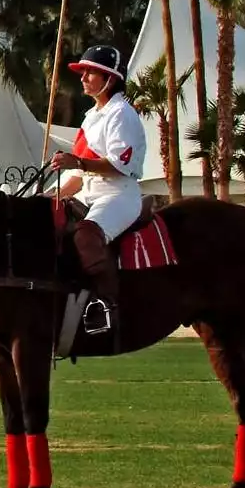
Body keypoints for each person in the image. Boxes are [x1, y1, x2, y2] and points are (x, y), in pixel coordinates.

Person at [48, 44, 146, 334]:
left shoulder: (123, 114)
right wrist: (51, 197)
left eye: (90, 72)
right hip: (88, 193)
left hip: (118, 195)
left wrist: (77, 161)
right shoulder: (91, 115)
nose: (83, 78)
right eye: (83, 72)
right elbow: (79, 176)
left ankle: (104, 306)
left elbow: (120, 165)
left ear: (110, 79)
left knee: (87, 234)